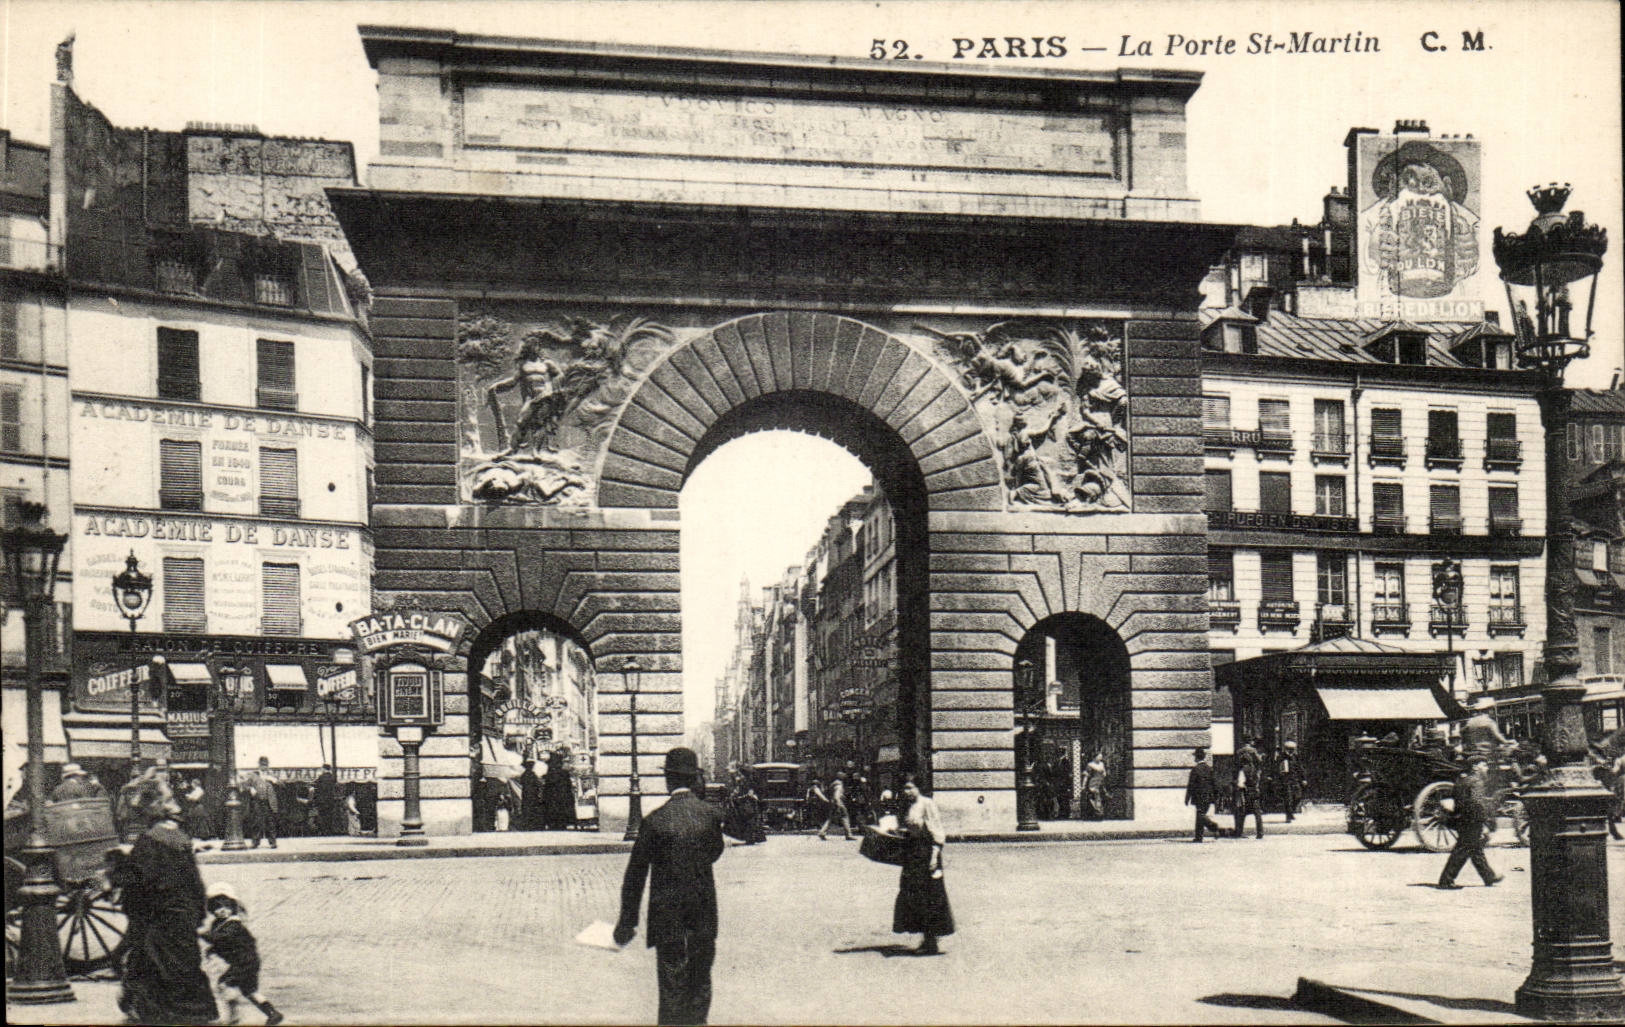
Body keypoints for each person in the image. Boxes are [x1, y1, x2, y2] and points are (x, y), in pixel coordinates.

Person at [614, 747, 727, 1027]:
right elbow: (715, 852)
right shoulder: (710, 815)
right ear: (693, 779)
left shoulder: (654, 821)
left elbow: (635, 875)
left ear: (669, 781)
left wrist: (627, 922)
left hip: (667, 919)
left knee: (672, 989)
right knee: (700, 985)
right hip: (702, 916)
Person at [107, 770, 218, 1025]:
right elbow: (193, 882)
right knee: (185, 966)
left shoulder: (150, 841)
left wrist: (119, 872)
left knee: (156, 966)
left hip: (161, 921)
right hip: (183, 917)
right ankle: (196, 1014)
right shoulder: (178, 837)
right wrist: (198, 912)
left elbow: (140, 885)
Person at [202, 881, 284, 1026]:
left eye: (226, 906)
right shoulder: (220, 924)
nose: (221, 910)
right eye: (217, 907)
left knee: (224, 984)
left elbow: (220, 938)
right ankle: (272, 1013)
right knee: (249, 991)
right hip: (247, 962)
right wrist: (212, 948)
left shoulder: (233, 925)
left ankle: (233, 1017)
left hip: (244, 963)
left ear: (233, 907)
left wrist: (201, 934)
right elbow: (220, 942)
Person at [892, 774, 954, 956]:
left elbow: (937, 830)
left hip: (927, 853)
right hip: (913, 854)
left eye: (910, 788)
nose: (907, 792)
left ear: (919, 788)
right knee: (913, 894)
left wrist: (935, 856)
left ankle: (932, 941)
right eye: (905, 788)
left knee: (930, 896)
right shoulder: (909, 806)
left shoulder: (927, 804)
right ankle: (926, 938)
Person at [1437, 753, 1504, 889]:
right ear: (1475, 767)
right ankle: (1446, 880)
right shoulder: (1476, 781)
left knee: (1475, 849)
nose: (1486, 768)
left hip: (1461, 818)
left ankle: (1488, 876)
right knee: (1463, 849)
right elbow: (1477, 803)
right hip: (1472, 819)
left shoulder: (1462, 780)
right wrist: (1485, 821)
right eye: (1483, 765)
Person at [1184, 747, 1225, 842]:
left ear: (1197, 758)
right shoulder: (1209, 769)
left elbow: (1191, 785)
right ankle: (1199, 837)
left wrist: (1187, 798)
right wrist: (1217, 795)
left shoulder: (1195, 770)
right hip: (1209, 797)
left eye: (1195, 757)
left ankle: (1213, 827)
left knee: (1200, 815)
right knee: (1200, 815)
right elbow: (1215, 783)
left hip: (1199, 797)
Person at [241, 758, 279, 849]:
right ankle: (255, 842)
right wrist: (250, 788)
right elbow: (244, 785)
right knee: (256, 822)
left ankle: (273, 842)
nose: (264, 767)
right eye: (262, 765)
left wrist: (274, 781)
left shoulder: (271, 775)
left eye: (265, 765)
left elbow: (282, 785)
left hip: (269, 802)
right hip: (257, 801)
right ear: (258, 765)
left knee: (270, 822)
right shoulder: (253, 775)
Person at [1233, 738, 1264, 839]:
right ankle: (1260, 833)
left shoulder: (1239, 753)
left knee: (1241, 812)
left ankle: (1239, 832)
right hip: (1254, 792)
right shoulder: (1254, 768)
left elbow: (1240, 784)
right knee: (1257, 813)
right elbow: (1259, 766)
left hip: (1245, 793)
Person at [542, 750, 577, 830]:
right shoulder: (564, 773)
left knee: (553, 823)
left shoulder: (549, 775)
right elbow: (569, 788)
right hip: (562, 802)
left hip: (552, 803)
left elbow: (546, 790)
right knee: (561, 822)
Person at [817, 771, 852, 841]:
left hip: (833, 802)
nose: (845, 776)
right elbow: (837, 796)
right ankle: (848, 835)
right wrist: (838, 804)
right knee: (845, 817)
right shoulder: (839, 784)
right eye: (844, 774)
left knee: (830, 818)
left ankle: (822, 832)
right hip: (838, 802)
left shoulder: (834, 784)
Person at [1278, 741, 1303, 823]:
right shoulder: (1281, 757)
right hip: (1286, 780)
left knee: (1298, 796)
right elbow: (1276, 768)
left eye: (1293, 749)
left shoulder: (1295, 757)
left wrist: (1303, 779)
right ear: (1286, 749)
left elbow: (1300, 768)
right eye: (1290, 749)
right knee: (1288, 798)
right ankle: (1288, 816)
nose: (1291, 751)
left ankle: (1291, 811)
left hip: (1295, 779)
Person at [313, 764, 340, 837]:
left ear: (324, 769)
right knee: (329, 816)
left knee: (322, 816)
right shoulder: (333, 777)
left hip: (321, 800)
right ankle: (329, 831)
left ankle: (323, 831)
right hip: (330, 800)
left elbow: (316, 788)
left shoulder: (321, 777)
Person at [518, 759, 543, 832]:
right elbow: (538, 784)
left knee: (527, 809)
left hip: (526, 794)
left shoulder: (524, 775)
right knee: (533, 809)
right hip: (533, 795)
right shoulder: (533, 774)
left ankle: (527, 824)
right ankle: (533, 824)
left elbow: (521, 783)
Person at [1083, 751, 1108, 820]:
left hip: (1100, 782)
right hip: (1093, 783)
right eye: (1099, 756)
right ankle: (1095, 814)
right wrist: (1084, 784)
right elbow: (1086, 775)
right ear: (1095, 757)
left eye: (1101, 756)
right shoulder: (1090, 765)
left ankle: (1100, 814)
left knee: (1100, 797)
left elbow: (1104, 773)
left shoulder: (1102, 764)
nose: (1100, 757)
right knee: (1093, 798)